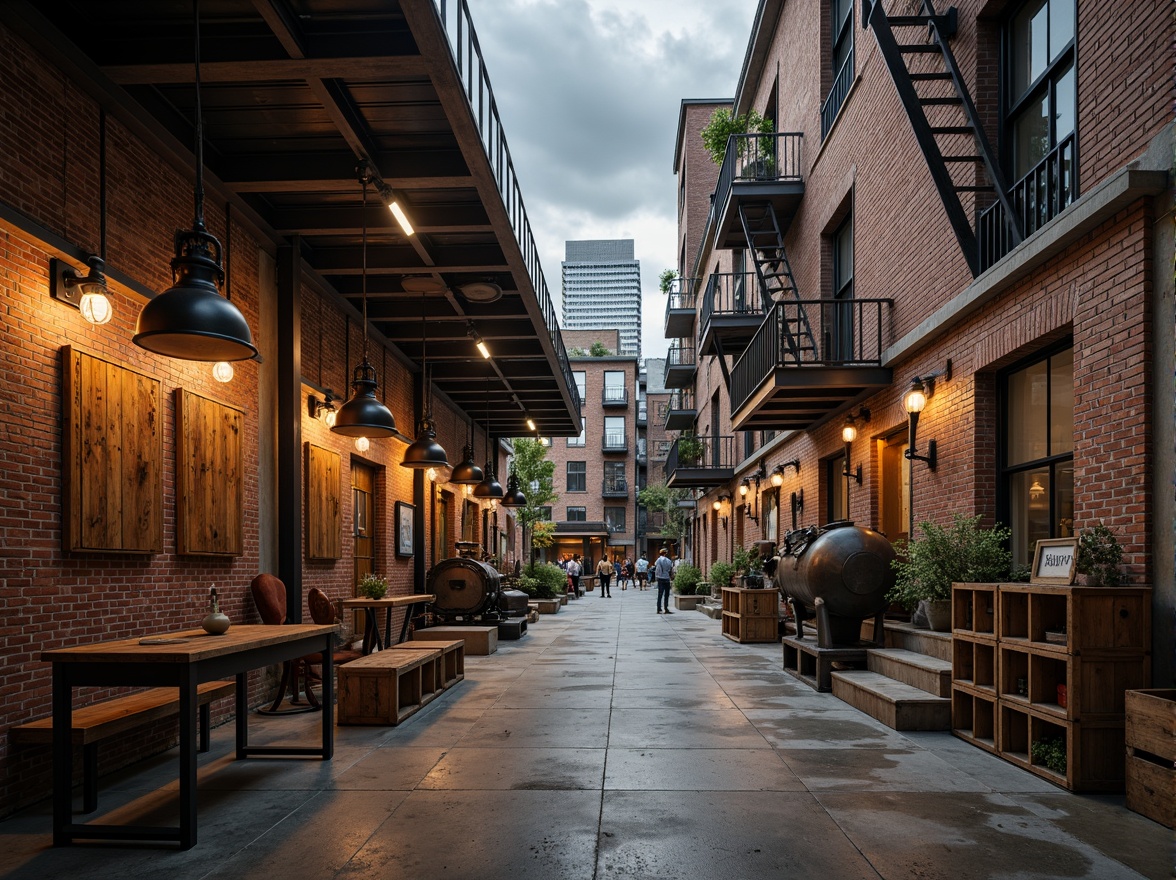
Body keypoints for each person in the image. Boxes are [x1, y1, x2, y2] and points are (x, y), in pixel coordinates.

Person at [654, 548, 674, 614]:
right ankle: (666, 608)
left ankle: (659, 608)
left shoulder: (659, 560)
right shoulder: (669, 560)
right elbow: (671, 569)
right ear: (665, 553)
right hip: (667, 578)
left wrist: (656, 576)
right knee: (666, 594)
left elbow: (656, 566)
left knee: (660, 594)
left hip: (660, 578)